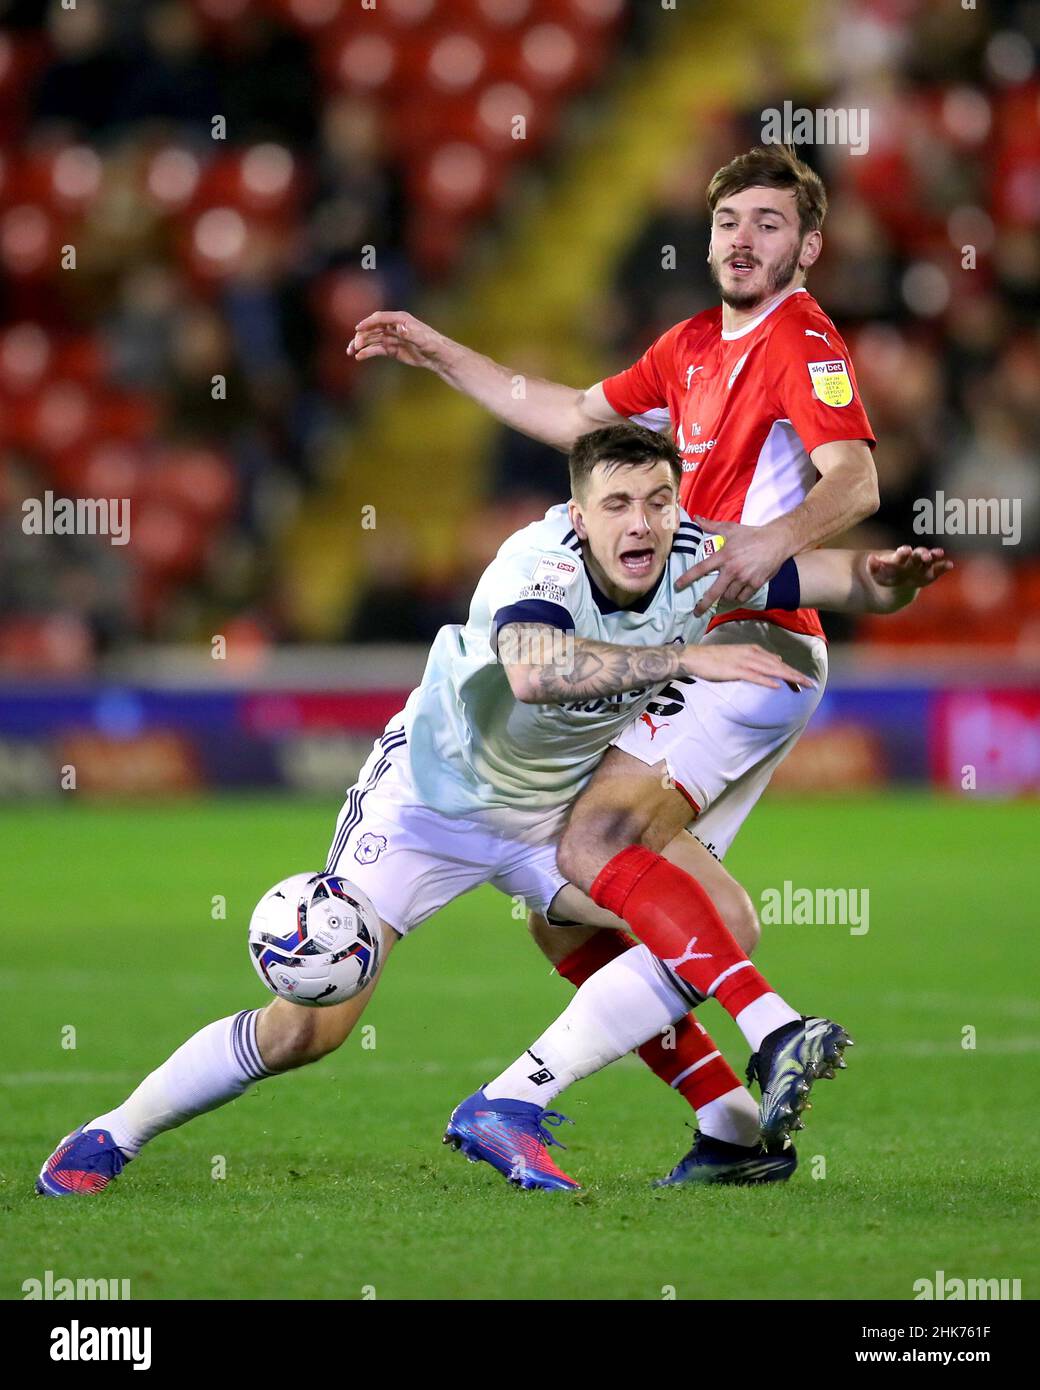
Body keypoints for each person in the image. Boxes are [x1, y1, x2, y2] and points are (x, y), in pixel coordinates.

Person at [36, 425, 949, 1197]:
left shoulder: (690, 558)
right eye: (619, 505)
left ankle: (525, 1105)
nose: (642, 522)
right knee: (308, 1028)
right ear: (578, 514)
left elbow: (840, 582)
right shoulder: (537, 560)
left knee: (724, 921)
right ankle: (115, 1132)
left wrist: (892, 580)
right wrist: (686, 661)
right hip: (430, 804)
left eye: (659, 500)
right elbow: (534, 672)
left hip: (559, 818)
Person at [348, 143, 882, 1182]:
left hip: (747, 644)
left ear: (807, 247)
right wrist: (436, 352)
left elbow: (852, 477)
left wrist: (778, 543)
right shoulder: (687, 345)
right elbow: (572, 418)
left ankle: (518, 1097)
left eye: (768, 224)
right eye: (729, 221)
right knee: (579, 914)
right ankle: (728, 1128)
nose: (741, 239)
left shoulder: (800, 337)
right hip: (717, 650)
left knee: (590, 840)